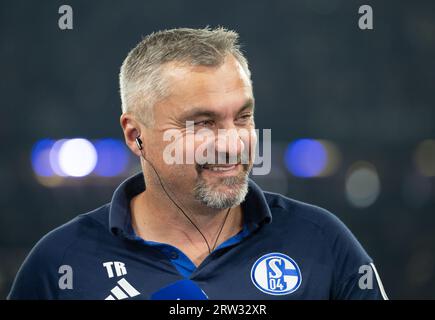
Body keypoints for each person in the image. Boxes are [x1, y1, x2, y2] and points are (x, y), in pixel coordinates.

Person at [8, 27, 388, 300]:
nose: (231, 143)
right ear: (134, 134)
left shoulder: (322, 241)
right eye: (203, 123)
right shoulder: (60, 263)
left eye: (242, 117)